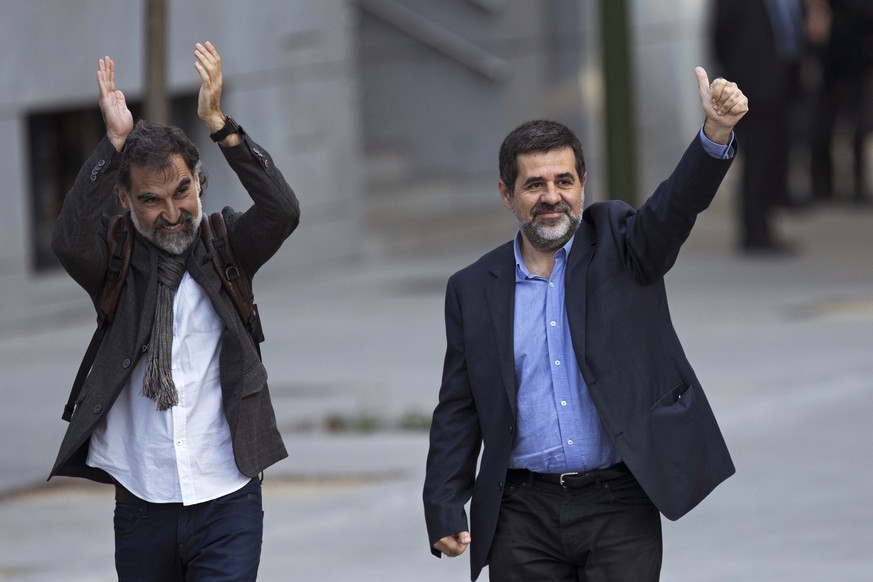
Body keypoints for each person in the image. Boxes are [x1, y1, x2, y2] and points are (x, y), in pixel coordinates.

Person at [422, 67, 746, 582]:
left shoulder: (623, 245)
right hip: (521, 514)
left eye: (563, 181)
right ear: (507, 195)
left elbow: (676, 207)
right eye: (534, 185)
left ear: (582, 185)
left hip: (619, 503)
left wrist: (715, 134)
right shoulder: (471, 289)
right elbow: (458, 406)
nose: (551, 196)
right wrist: (442, 503)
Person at [49, 42, 300, 581]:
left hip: (228, 494)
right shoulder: (116, 258)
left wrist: (219, 123)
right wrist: (113, 145)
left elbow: (282, 211)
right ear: (125, 200)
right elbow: (69, 241)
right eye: (151, 200)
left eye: (181, 190)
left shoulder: (226, 243)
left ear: (198, 181)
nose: (171, 212)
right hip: (142, 500)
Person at [712, 0, 804, 254]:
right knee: (757, 159)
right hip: (754, 85)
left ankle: (767, 218)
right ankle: (755, 231)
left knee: (774, 154)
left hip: (785, 79)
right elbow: (720, 35)